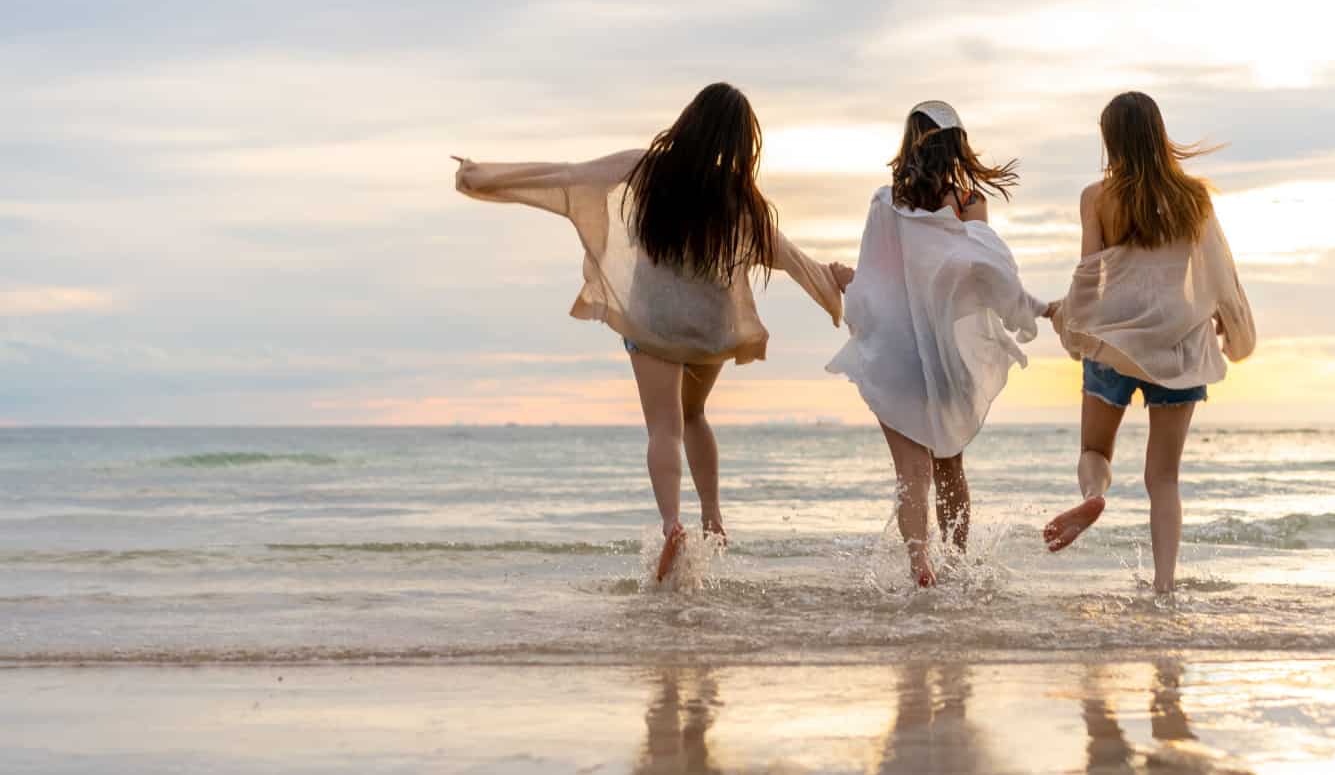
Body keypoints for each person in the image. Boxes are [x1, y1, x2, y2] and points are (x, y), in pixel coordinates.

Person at [453, 82, 846, 582]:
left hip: (654, 322)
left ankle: (671, 525)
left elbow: (567, 178)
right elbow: (788, 255)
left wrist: (480, 176)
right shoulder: (738, 196)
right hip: (709, 329)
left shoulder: (648, 166)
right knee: (696, 415)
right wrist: (832, 286)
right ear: (743, 141)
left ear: (689, 121)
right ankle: (713, 517)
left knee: (665, 427)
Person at [827, 100, 1047, 587]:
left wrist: (849, 282)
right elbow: (983, 273)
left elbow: (877, 279)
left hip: (897, 356)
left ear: (910, 142)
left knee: (911, 474)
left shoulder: (886, 203)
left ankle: (918, 565)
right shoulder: (968, 204)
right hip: (945, 358)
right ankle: (955, 562)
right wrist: (1031, 308)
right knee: (950, 466)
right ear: (957, 144)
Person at [1042, 91, 1255, 593]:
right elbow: (1220, 272)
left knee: (1096, 451)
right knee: (1164, 479)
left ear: (1111, 140)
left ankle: (1094, 495)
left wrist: (1066, 316)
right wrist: (1231, 323)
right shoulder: (1194, 198)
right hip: (1179, 348)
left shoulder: (1097, 197)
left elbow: (1090, 277)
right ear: (1158, 134)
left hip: (1115, 343)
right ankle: (1164, 587)